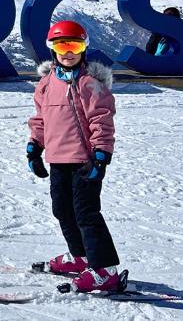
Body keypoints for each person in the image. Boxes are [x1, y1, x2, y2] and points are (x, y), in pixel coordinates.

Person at [26, 20, 122, 293]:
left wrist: (102, 155)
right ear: (52, 49)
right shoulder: (45, 84)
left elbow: (101, 120)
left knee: (86, 214)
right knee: (62, 210)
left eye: (75, 46)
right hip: (58, 160)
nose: (68, 52)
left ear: (84, 48)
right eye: (62, 45)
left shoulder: (90, 84)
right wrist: (35, 147)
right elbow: (41, 120)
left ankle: (105, 270)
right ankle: (81, 258)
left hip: (84, 161)